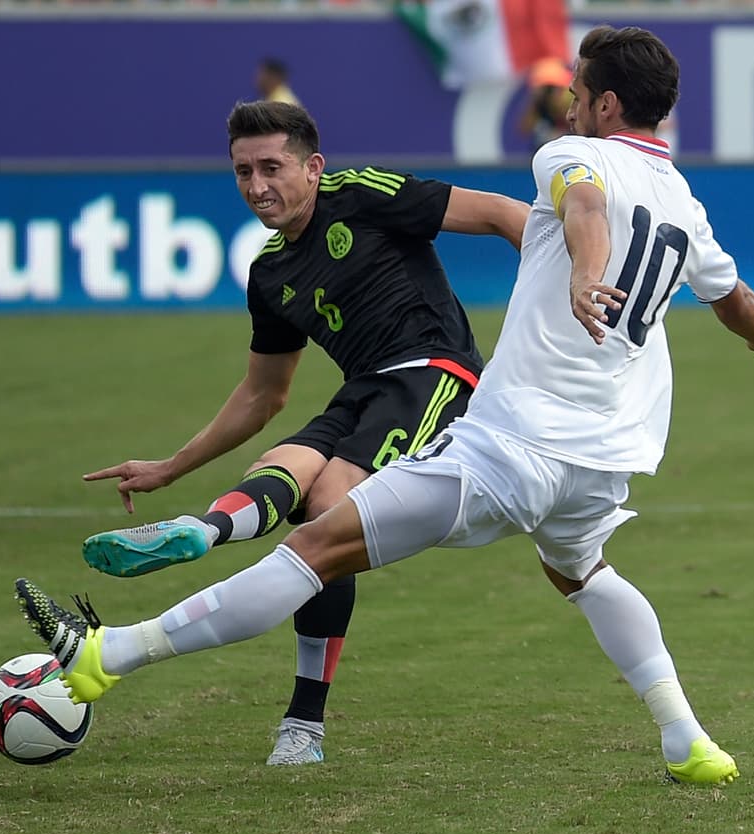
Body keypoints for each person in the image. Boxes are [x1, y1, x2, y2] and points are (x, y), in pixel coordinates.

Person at [17, 24, 754, 784]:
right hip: (605, 457)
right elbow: (735, 297)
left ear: (607, 105)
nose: (566, 106)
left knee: (316, 547)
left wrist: (586, 272)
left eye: (577, 94)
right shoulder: (682, 200)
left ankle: (105, 657)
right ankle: (686, 739)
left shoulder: (573, 155)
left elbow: (583, 206)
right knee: (581, 571)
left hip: (511, 445)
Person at [76, 100, 529, 766]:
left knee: (324, 511)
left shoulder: (363, 194)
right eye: (242, 172)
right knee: (284, 459)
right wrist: (171, 466)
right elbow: (264, 395)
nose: (257, 186)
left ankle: (303, 724)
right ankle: (202, 532)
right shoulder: (270, 274)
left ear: (314, 168)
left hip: (438, 374)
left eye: (271, 167)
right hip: (364, 390)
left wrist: (567, 289)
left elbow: (503, 214)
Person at [517, 57, 574, 152]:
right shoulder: (538, 105)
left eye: (557, 88)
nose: (554, 93)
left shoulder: (571, 103)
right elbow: (524, 128)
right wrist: (535, 103)